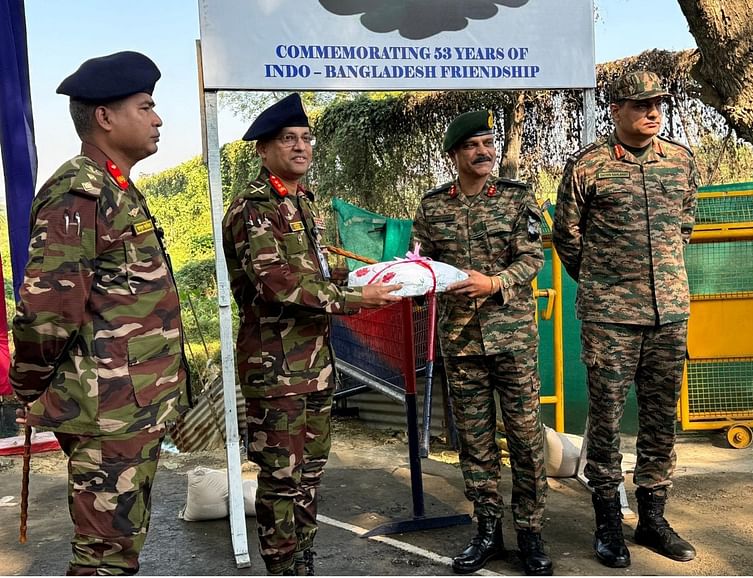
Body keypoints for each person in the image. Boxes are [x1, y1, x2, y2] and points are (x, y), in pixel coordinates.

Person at [10, 51, 192, 575]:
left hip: (129, 404)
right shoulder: (80, 191)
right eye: (147, 106)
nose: (158, 119)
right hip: (106, 409)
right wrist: (30, 385)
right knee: (106, 555)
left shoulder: (114, 185)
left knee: (120, 544)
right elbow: (47, 311)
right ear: (106, 118)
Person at [221, 93, 402, 576]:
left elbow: (316, 271)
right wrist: (354, 301)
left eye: (305, 138)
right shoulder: (254, 209)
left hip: (316, 365)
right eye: (288, 139)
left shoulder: (301, 202)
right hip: (276, 369)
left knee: (311, 475)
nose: (301, 147)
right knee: (282, 478)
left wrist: (365, 276)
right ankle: (283, 568)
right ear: (264, 150)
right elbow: (277, 283)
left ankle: (304, 560)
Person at [552, 70, 699, 568]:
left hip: (669, 314)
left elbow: (685, 226)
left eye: (657, 102)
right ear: (616, 110)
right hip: (610, 319)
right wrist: (604, 284)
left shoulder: (680, 161)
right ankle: (608, 523)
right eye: (640, 104)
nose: (652, 111)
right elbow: (567, 237)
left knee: (660, 420)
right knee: (608, 421)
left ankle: (653, 519)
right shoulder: (587, 167)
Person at [411, 110, 551, 576]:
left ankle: (530, 531)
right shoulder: (432, 207)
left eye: (489, 142)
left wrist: (493, 283)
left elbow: (533, 258)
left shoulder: (516, 199)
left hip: (513, 340)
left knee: (526, 439)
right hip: (461, 342)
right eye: (473, 144)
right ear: (455, 154)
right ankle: (488, 529)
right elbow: (420, 265)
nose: (484, 151)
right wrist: (410, 277)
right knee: (474, 441)